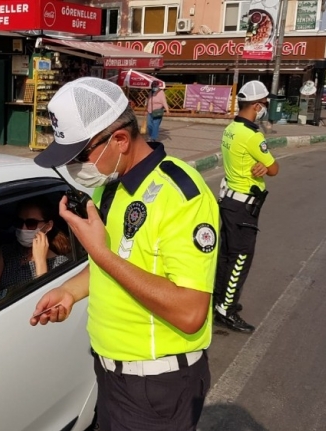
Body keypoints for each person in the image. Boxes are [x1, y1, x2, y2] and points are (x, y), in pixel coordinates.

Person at [30, 77, 219, 431]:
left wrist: (102, 255)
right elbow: (112, 264)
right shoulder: (110, 189)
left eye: (78, 156)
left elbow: (191, 312)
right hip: (110, 375)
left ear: (119, 140)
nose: (74, 168)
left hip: (157, 387)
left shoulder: (180, 195)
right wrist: (69, 291)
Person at [213, 80, 279, 334]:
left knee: (226, 254)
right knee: (240, 258)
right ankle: (226, 311)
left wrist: (259, 165)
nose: (265, 107)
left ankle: (219, 300)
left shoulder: (230, 129)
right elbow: (274, 169)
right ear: (256, 105)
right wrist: (265, 165)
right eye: (264, 103)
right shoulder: (252, 136)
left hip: (229, 201)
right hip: (243, 207)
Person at [0, 197, 70, 300]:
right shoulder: (6, 252)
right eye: (19, 222)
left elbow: (45, 302)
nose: (23, 228)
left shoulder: (60, 263)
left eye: (31, 223)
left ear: (48, 226)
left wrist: (40, 261)